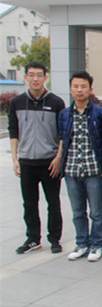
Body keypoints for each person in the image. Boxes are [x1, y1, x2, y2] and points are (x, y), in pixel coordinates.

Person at [8, 61, 65, 255]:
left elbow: (63, 133)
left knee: (53, 203)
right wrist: (15, 159)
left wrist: (58, 157)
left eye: (39, 75)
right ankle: (33, 238)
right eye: (31, 75)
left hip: (49, 162)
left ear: (45, 77)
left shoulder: (56, 103)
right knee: (29, 203)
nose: (35, 79)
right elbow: (13, 131)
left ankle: (55, 239)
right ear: (25, 77)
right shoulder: (17, 103)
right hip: (26, 162)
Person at [59, 71, 102, 262]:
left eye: (83, 86)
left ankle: (97, 245)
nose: (79, 90)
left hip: (93, 170)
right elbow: (63, 139)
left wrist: (101, 161)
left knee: (96, 212)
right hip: (71, 170)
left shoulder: (100, 113)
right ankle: (82, 243)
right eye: (75, 86)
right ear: (70, 89)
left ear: (90, 89)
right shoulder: (64, 114)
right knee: (77, 212)